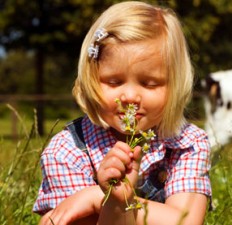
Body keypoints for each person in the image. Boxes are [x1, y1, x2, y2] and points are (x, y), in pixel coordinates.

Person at [33, 1, 212, 224]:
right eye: (114, 81)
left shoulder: (187, 143)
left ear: (174, 85)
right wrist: (115, 203)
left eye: (149, 84)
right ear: (91, 77)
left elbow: (186, 221)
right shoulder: (68, 150)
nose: (129, 97)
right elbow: (59, 220)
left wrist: (99, 197)